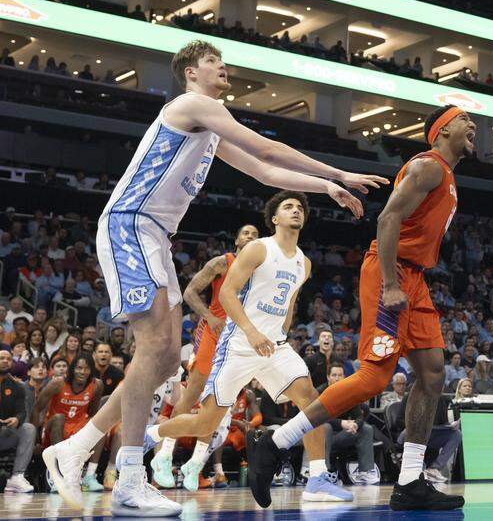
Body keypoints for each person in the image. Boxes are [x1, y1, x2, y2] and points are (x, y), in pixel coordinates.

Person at [42, 40, 385, 515]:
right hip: (131, 222)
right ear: (190, 73)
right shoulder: (191, 105)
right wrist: (339, 171)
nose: (223, 68)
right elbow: (265, 145)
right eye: (212, 62)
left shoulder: (209, 127)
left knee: (163, 364)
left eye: (223, 63)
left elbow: (264, 170)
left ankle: (76, 448)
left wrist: (323, 187)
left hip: (157, 235)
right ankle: (127, 476)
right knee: (155, 350)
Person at [248, 106, 474, 512]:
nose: (472, 126)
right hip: (392, 272)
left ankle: (409, 480)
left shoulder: (447, 174)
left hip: (415, 277)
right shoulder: (429, 166)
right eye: (464, 121)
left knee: (433, 371)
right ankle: (277, 441)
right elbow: (387, 218)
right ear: (441, 131)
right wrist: (389, 283)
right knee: (374, 376)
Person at [143, 192, 350, 502]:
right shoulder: (257, 249)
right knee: (206, 421)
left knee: (311, 401)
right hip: (239, 344)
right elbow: (227, 293)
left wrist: (280, 335)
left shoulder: (303, 264)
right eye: (288, 207)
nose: (295, 210)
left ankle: (318, 479)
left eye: (300, 208)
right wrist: (252, 332)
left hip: (274, 347)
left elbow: (289, 304)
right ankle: (149, 436)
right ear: (276, 218)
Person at [150, 223, 260, 487]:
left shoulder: (261, 270)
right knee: (191, 395)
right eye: (246, 233)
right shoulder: (222, 262)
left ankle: (195, 465)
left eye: (256, 235)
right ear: (236, 239)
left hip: (239, 337)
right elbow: (189, 292)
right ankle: (164, 455)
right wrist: (209, 317)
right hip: (213, 332)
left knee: (219, 403)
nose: (251, 237)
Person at [34, 354, 105, 493]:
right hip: (55, 428)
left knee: (100, 424)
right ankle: (60, 474)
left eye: (87, 369)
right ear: (72, 369)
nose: (83, 372)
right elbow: (37, 409)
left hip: (77, 427)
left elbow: (93, 412)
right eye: (79, 368)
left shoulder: (97, 385)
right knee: (59, 418)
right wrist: (35, 440)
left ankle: (89, 476)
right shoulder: (57, 383)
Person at [320, 364, 379, 485]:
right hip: (325, 434)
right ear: (328, 377)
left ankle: (366, 471)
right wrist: (342, 423)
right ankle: (324, 471)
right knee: (326, 427)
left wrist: (355, 425)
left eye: (340, 375)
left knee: (366, 428)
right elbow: (318, 418)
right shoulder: (320, 392)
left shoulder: (349, 391)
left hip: (343, 433)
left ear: (344, 377)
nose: (337, 378)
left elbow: (359, 415)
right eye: (334, 375)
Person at [0, 349, 36, 493]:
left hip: (6, 433)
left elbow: (22, 411)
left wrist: (17, 419)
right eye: (1, 358)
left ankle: (17, 477)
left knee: (28, 428)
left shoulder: (17, 386)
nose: (5, 361)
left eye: (8, 359)